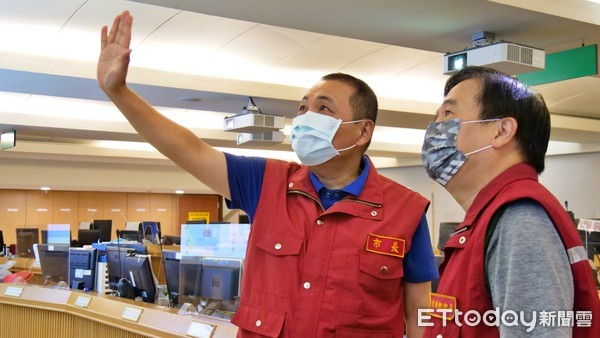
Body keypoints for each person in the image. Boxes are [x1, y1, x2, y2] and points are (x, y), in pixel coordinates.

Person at [98, 11, 438, 337]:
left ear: (363, 131)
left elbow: (419, 308)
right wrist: (120, 92)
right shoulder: (267, 183)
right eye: (303, 107)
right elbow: (189, 149)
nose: (305, 117)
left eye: (324, 108)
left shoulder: (404, 210)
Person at [421, 66, 600, 337]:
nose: (435, 128)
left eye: (448, 114)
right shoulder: (490, 217)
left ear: (502, 131)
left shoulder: (519, 218)